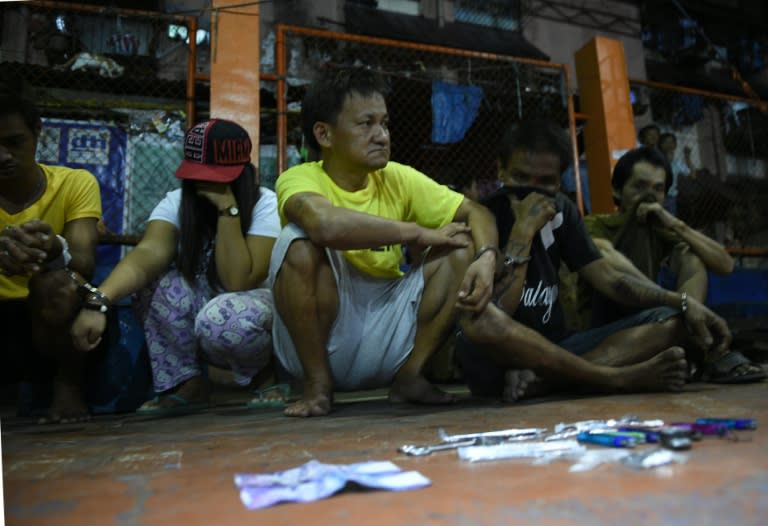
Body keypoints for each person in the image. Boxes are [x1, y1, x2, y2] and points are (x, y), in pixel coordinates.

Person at [270, 67, 498, 417]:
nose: (381, 135)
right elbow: (325, 225)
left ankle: (410, 377)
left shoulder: (397, 177)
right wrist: (418, 232)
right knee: (298, 241)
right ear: (324, 135)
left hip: (386, 330)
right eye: (366, 124)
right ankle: (317, 386)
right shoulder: (299, 178)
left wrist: (486, 257)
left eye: (385, 124)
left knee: (462, 246)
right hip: (324, 335)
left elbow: (477, 213)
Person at [457, 119, 732, 402]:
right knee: (483, 325)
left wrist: (684, 303)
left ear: (560, 179)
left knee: (672, 321)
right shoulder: (483, 217)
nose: (532, 191)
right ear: (501, 170)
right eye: (521, 178)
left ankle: (549, 382)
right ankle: (608, 378)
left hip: (558, 347)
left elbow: (611, 281)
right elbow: (496, 312)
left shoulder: (563, 210)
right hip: (498, 357)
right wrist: (522, 232)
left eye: (546, 182)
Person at [71, 119, 283, 414]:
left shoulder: (266, 204)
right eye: (199, 174)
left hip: (253, 308)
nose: (204, 183)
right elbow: (148, 253)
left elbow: (238, 281)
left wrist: (228, 210)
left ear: (240, 174)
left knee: (224, 317)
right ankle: (187, 383)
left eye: (216, 176)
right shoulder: (177, 202)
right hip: (206, 305)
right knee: (154, 283)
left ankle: (264, 377)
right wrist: (99, 301)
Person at [583, 146, 765, 383]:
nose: (648, 197)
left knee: (691, 256)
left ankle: (688, 327)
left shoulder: (662, 230)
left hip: (655, 322)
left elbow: (725, 265)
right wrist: (674, 301)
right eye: (639, 186)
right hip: (604, 326)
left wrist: (676, 225)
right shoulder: (595, 224)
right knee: (604, 250)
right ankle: (697, 340)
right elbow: (604, 257)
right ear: (617, 190)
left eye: (657, 189)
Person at [0, 73, 101, 423]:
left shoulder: (75, 182)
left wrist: (53, 249)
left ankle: (67, 387)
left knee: (59, 283)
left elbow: (85, 261)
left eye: (14, 142)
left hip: (42, 323)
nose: (3, 156)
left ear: (36, 133)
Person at [658, 132, 696, 215]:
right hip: (657, 196)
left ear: (675, 145)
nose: (669, 145)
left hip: (671, 197)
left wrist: (687, 156)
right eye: (666, 142)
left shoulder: (676, 163)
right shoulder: (656, 161)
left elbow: (692, 175)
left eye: (672, 142)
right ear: (660, 145)